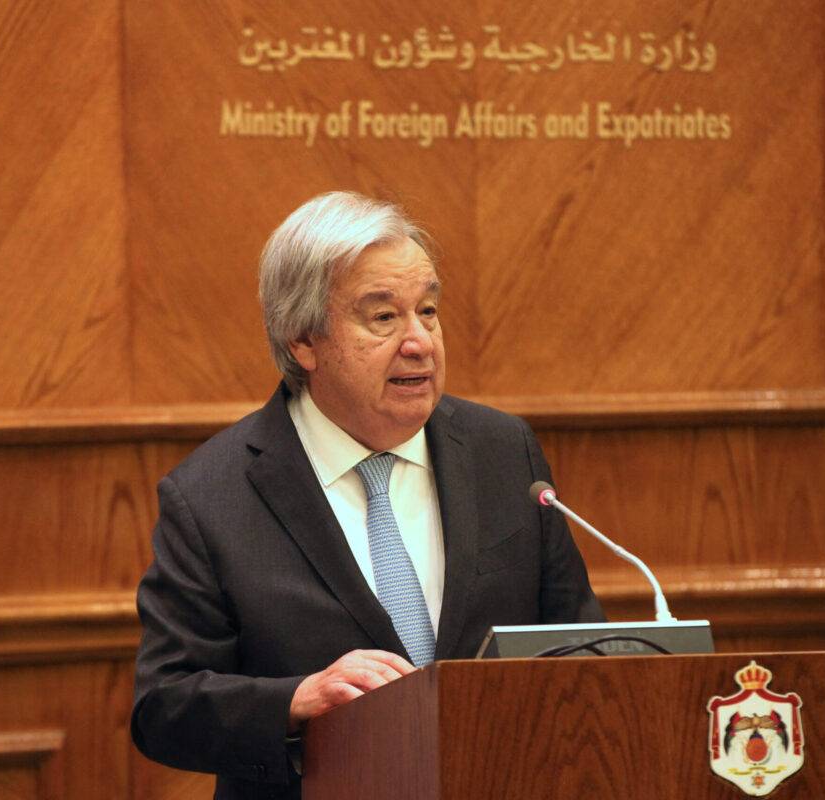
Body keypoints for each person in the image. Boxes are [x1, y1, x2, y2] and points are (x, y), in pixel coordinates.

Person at [131, 191, 604, 799]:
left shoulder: (502, 452)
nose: (420, 343)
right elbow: (164, 706)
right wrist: (295, 701)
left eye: (428, 311)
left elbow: (581, 646)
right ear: (303, 340)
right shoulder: (211, 497)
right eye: (383, 318)